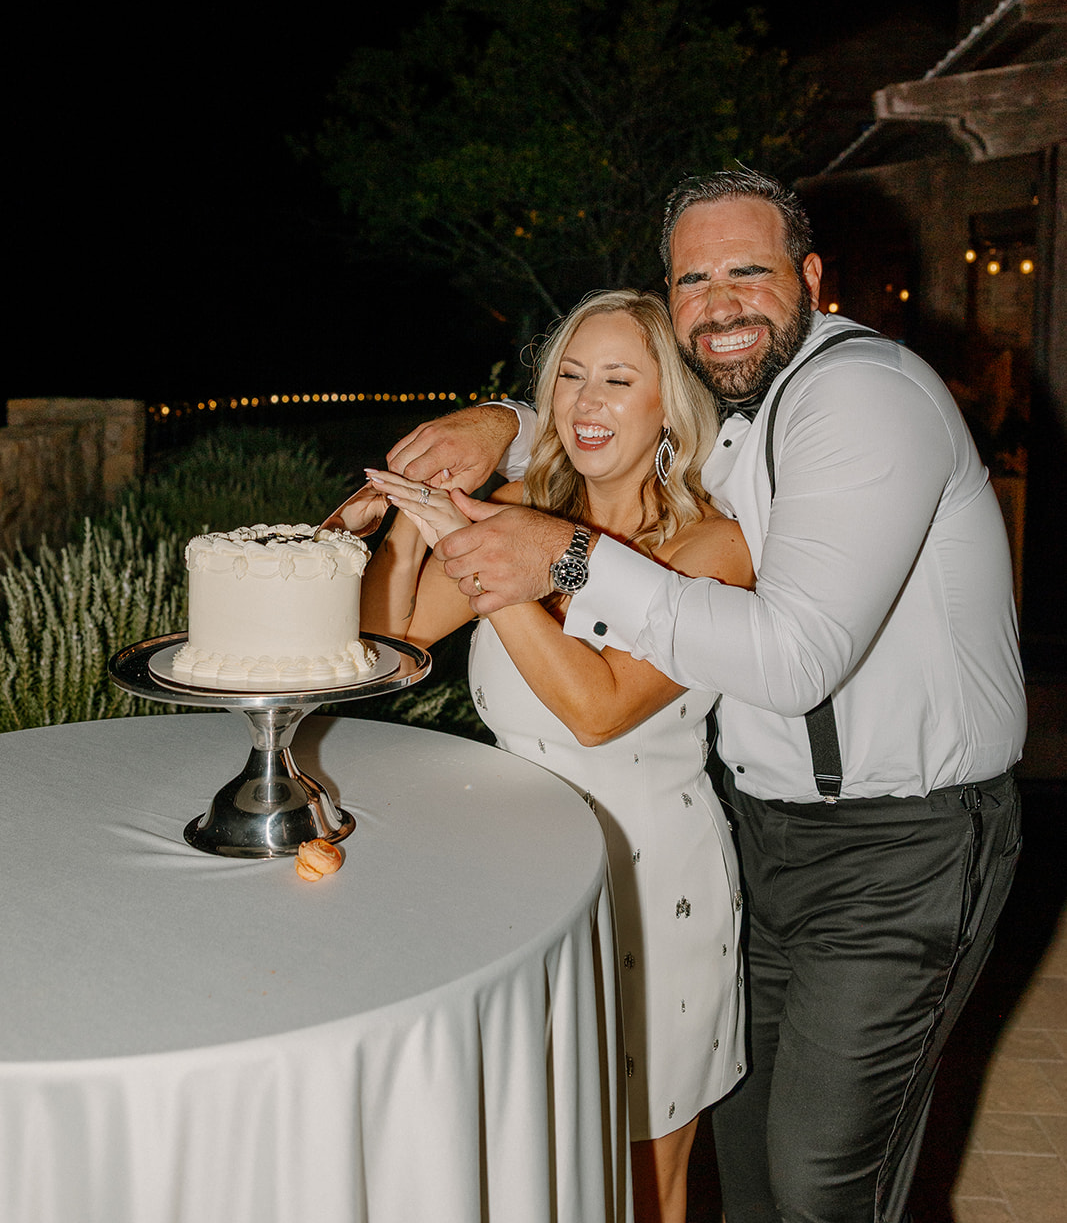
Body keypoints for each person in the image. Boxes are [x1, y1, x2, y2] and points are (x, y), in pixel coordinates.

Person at [379, 170, 1027, 1223]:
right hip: (762, 837)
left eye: (748, 271)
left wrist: (565, 556)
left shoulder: (857, 396)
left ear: (810, 279)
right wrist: (501, 423)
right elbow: (612, 412)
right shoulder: (736, 418)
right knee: (750, 1163)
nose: (720, 302)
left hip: (901, 846)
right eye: (693, 279)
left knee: (826, 1179)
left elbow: (793, 658)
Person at [334, 290, 755, 1223]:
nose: (585, 401)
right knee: (530, 1153)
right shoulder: (523, 504)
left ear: (670, 405)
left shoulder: (710, 546)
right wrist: (419, 519)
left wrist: (489, 560)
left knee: (645, 1178)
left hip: (652, 885)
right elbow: (388, 641)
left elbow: (595, 710)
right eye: (568, 377)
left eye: (617, 379)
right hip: (512, 876)